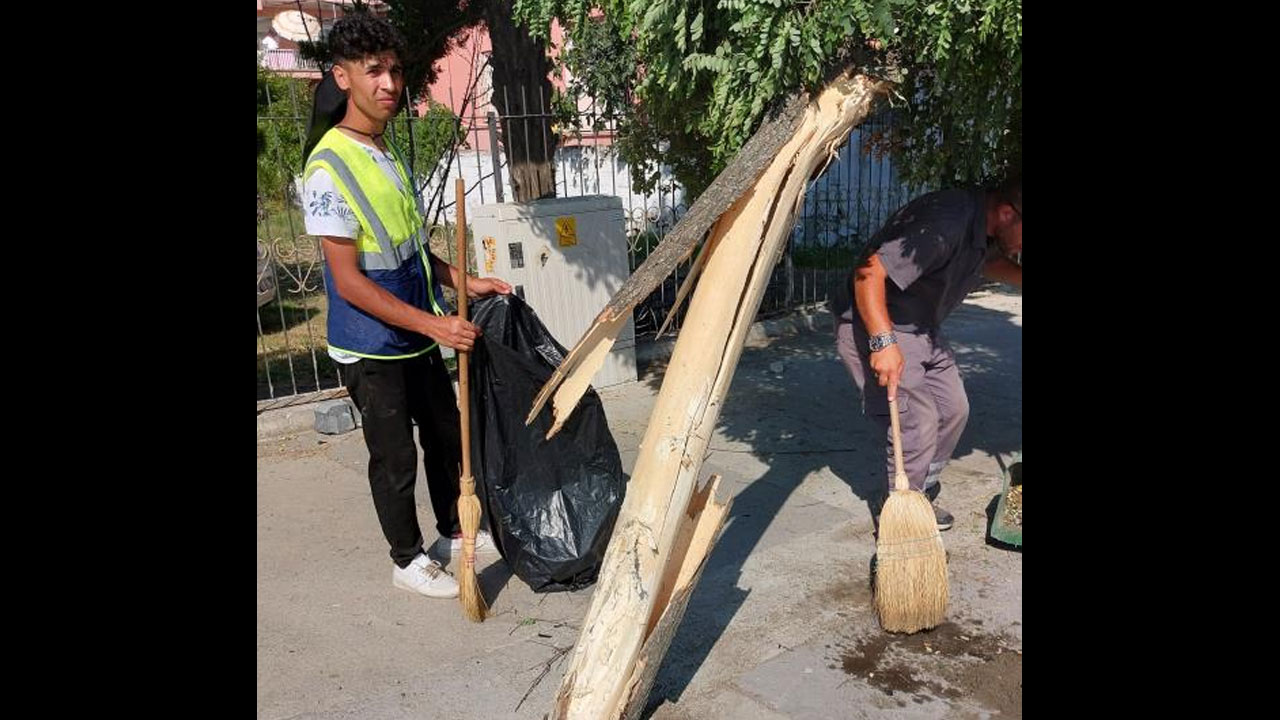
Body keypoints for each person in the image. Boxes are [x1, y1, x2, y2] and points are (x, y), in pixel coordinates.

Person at [301, 13, 511, 598]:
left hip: (416, 334)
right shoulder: (328, 169)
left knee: (446, 437)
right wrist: (436, 324)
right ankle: (407, 559)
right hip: (371, 346)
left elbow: (412, 252)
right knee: (394, 459)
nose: (389, 83)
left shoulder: (385, 152)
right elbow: (349, 281)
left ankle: (450, 531)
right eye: (374, 72)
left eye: (394, 70)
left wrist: (465, 283)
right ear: (342, 77)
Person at [831, 176, 1022, 530]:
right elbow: (868, 272)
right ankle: (900, 511)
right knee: (916, 422)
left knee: (953, 410)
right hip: (878, 323)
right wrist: (883, 343)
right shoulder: (947, 220)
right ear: (1008, 213)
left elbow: (986, 264)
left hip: (921, 328)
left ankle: (919, 491)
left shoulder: (982, 229)